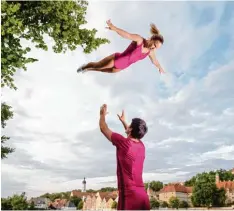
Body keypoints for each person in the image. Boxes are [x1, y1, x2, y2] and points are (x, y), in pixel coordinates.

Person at [99, 104, 150, 210]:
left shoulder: (123, 143)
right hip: (143, 196)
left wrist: (102, 114)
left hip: (129, 196)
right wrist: (124, 122)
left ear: (131, 130)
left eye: (130, 125)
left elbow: (103, 128)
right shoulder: (141, 146)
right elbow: (132, 134)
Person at [77, 20, 165, 74]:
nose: (154, 47)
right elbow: (127, 35)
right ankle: (85, 67)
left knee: (100, 70)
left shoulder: (151, 52)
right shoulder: (139, 40)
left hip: (121, 67)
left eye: (156, 48)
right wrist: (114, 28)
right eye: (154, 44)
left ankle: (87, 69)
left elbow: (155, 61)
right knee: (98, 66)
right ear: (152, 39)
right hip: (116, 60)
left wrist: (160, 68)